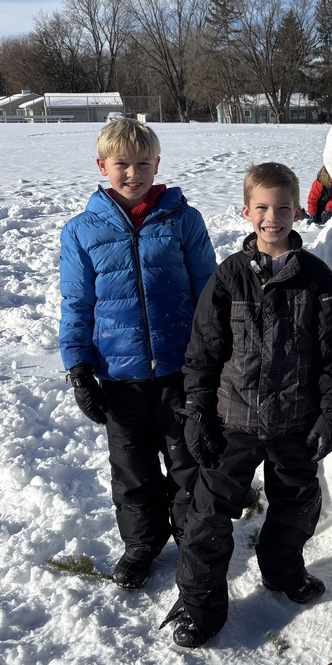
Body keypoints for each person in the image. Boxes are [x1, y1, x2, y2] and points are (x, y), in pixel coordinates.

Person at [164, 161, 332, 648]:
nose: (273, 217)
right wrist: (197, 413)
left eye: (284, 207)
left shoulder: (316, 277)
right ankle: (200, 606)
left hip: (295, 418)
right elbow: (203, 352)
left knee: (295, 505)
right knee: (206, 515)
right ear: (247, 211)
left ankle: (282, 570)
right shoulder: (228, 277)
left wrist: (331, 410)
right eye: (263, 208)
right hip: (234, 419)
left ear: (297, 210)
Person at [59, 118, 216, 590]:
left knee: (188, 460)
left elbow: (208, 288)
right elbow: (76, 301)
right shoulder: (81, 231)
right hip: (119, 376)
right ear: (102, 165)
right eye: (122, 164)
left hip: (179, 369)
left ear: (157, 165)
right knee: (132, 468)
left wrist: (215, 354)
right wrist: (80, 368)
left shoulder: (183, 219)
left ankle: (195, 539)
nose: (133, 173)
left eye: (143, 164)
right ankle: (142, 544)